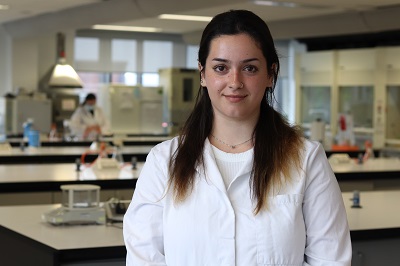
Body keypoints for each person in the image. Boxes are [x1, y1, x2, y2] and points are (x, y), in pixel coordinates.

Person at [123, 10, 352, 265]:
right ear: (202, 74)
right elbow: (145, 258)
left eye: (250, 68)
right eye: (220, 68)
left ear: (270, 74)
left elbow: (331, 260)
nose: (235, 81)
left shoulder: (307, 159)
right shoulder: (163, 161)